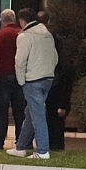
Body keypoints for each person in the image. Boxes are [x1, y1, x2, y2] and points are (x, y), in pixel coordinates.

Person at [6, 8, 58, 159]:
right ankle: (21, 147)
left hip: (33, 80)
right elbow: (55, 57)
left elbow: (19, 60)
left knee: (37, 115)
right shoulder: (47, 34)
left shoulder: (24, 36)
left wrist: (21, 80)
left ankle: (43, 151)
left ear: (22, 21)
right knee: (32, 113)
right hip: (48, 77)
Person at [36, 10, 75, 151]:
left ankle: (51, 147)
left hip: (52, 89)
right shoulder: (56, 41)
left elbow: (65, 72)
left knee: (52, 122)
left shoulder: (46, 40)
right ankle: (52, 147)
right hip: (54, 89)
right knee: (54, 122)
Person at [0, 8, 26, 150]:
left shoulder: (1, 35)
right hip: (19, 77)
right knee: (19, 113)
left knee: (2, 112)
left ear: (2, 20)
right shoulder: (21, 34)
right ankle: (21, 142)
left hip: (3, 78)